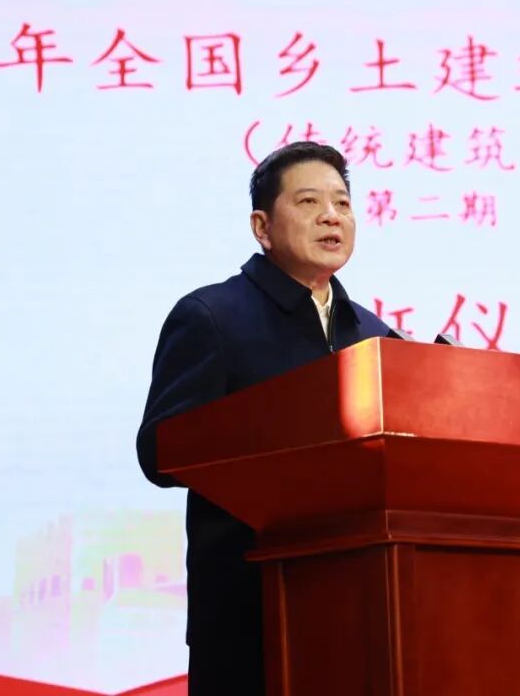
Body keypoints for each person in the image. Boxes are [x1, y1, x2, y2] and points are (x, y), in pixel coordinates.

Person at [136, 142, 390, 694]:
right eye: (309, 202)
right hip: (246, 619)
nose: (332, 216)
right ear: (262, 227)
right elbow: (159, 452)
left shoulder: (374, 337)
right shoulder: (212, 317)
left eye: (343, 204)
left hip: (361, 614)